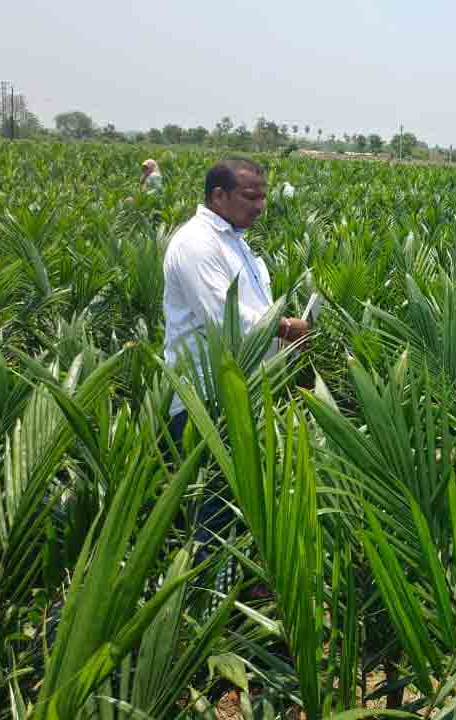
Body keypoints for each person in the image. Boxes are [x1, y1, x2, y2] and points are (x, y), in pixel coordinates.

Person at [162, 157, 310, 560]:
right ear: (218, 195)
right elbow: (223, 319)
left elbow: (253, 311)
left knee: (237, 503)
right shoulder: (196, 244)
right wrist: (284, 328)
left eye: (263, 197)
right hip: (204, 398)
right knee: (213, 511)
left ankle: (236, 585)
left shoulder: (234, 241)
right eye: (250, 197)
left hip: (242, 391)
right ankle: (204, 592)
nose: (260, 206)